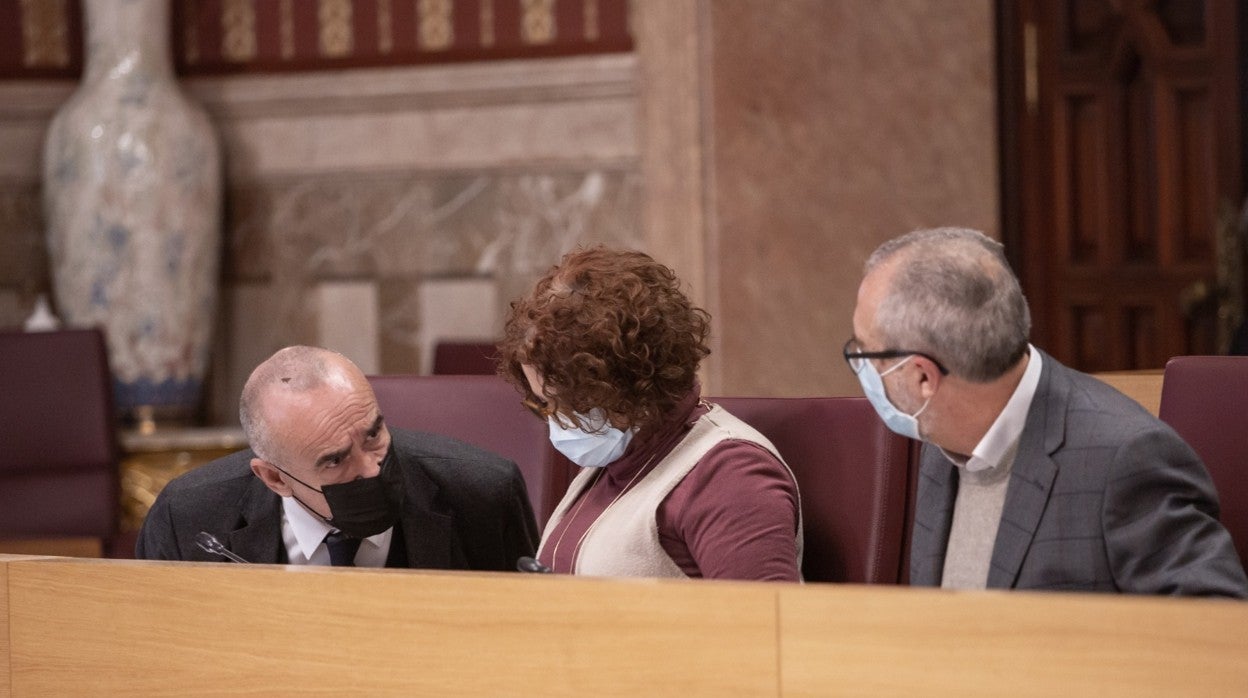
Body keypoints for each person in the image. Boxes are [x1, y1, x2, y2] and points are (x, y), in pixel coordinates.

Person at [845, 227, 1247, 596]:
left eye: (865, 351)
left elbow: (1219, 633)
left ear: (923, 379)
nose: (859, 363)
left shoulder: (1126, 460)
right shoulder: (937, 437)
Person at [497, 246, 802, 581]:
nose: (556, 421)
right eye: (542, 404)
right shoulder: (616, 460)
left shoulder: (730, 475)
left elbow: (762, 628)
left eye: (570, 403)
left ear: (631, 380)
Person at [137, 346, 539, 570]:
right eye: (335, 460)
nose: (371, 467)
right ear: (275, 479)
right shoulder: (188, 517)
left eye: (374, 434)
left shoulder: (483, 496)